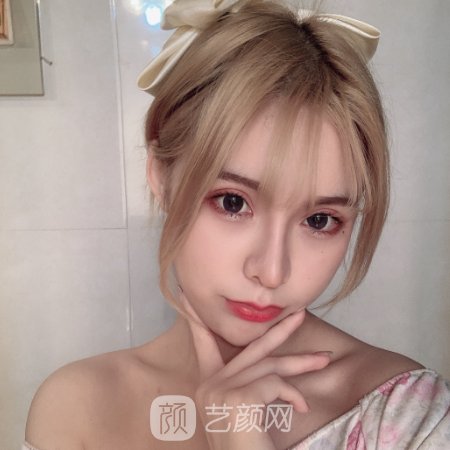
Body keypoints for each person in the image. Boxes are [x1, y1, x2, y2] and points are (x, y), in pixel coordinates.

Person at [23, 0, 450, 449]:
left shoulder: (411, 419)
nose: (271, 271)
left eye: (319, 220)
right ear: (162, 177)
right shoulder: (79, 408)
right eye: (232, 202)